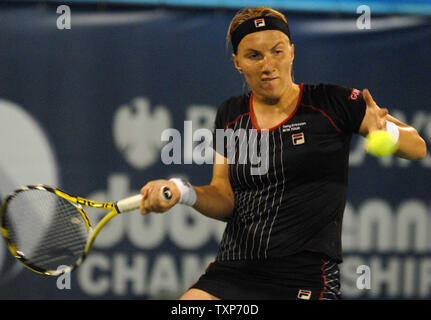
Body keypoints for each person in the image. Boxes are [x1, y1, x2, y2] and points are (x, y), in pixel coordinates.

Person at [139, 7, 427, 300]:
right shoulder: (230, 115)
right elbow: (224, 198)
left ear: (291, 51)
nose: (268, 65)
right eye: (254, 56)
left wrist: (386, 133)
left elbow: (417, 147)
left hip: (306, 275)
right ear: (237, 62)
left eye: (277, 51)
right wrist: (180, 190)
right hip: (234, 270)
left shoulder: (332, 102)